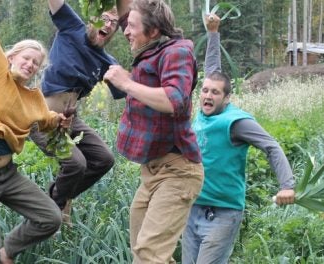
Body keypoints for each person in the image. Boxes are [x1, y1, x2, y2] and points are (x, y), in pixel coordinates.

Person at [0, 0, 72, 263]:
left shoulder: (34, 98)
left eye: (36, 62)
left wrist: (59, 120)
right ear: (11, 57)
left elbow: (45, 119)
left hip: (8, 176)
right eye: (26, 58)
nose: (30, 64)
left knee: (50, 218)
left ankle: (7, 253)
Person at [181, 14, 295, 264]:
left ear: (227, 98)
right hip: (193, 209)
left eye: (215, 93)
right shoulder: (204, 108)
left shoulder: (236, 122)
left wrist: (287, 185)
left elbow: (271, 146)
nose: (208, 95)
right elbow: (213, 68)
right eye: (205, 91)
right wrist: (213, 33)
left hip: (223, 214)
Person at [103, 0, 204, 262]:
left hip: (178, 171)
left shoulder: (177, 52)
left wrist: (126, 83)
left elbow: (174, 99)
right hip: (152, 171)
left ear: (154, 30)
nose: (125, 31)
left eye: (132, 26)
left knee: (148, 255)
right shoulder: (150, 44)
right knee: (145, 253)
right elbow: (128, 11)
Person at [28, 0, 126, 227]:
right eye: (106, 18)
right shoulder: (73, 26)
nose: (110, 25)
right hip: (42, 116)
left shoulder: (107, 62)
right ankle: (55, 206)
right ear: (93, 17)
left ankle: (56, 199)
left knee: (104, 159)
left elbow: (131, 89)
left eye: (115, 22)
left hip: (71, 118)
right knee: (76, 164)